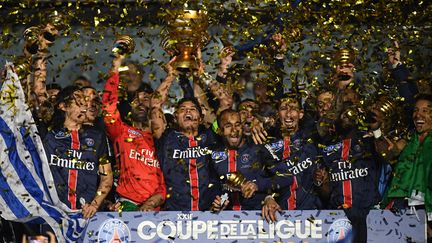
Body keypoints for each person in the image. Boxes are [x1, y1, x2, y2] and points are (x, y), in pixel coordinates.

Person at [150, 57, 221, 211]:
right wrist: (171, 74)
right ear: (175, 117)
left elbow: (217, 104)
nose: (188, 111)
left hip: (209, 214)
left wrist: (200, 75)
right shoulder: (166, 137)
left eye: (192, 109)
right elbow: (155, 104)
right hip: (173, 215)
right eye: (182, 109)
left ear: (201, 117)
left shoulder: (211, 136)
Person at [102, 54, 166, 211]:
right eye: (135, 100)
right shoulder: (122, 132)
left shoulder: (165, 138)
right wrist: (116, 67)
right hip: (127, 205)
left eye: (145, 99)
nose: (140, 102)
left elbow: (167, 181)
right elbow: (108, 107)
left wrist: (150, 203)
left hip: (158, 208)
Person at [315, 104, 381, 243]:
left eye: (349, 113)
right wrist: (321, 182)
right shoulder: (326, 149)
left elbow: (388, 155)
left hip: (369, 214)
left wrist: (376, 129)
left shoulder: (368, 140)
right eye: (342, 114)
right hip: (338, 217)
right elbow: (326, 194)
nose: (346, 116)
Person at [261, 94, 321, 222]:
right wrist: (268, 198)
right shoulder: (266, 145)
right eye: (283, 108)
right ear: (277, 114)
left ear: (301, 114)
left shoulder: (313, 138)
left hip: (313, 216)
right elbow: (261, 178)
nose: (288, 114)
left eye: (293, 108)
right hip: (278, 217)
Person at [210, 109, 278, 211]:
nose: (234, 130)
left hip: (258, 216)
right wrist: (216, 205)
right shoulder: (213, 155)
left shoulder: (257, 149)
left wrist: (269, 197)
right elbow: (214, 188)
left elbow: (283, 176)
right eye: (228, 126)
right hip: (226, 219)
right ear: (220, 131)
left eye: (237, 125)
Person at [384, 94, 432, 226]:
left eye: (425, 111)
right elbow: (392, 151)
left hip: (428, 207)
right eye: (416, 110)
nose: (418, 115)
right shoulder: (409, 138)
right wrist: (377, 132)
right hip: (403, 204)